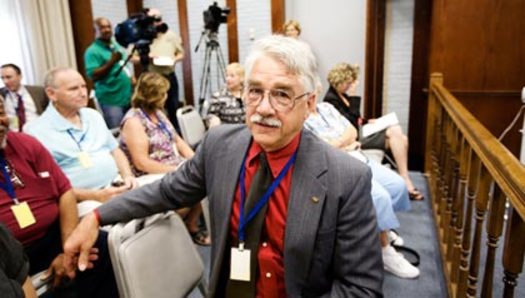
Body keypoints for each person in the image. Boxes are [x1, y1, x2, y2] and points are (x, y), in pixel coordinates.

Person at [64, 35, 383, 297]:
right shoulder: (220, 146)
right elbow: (168, 190)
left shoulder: (346, 177)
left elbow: (361, 288)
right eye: (255, 91)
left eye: (282, 95)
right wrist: (97, 215)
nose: (264, 108)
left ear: (310, 104)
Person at [0, 96, 117, 297]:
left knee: (99, 246)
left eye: (1, 112)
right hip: (10, 254)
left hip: (54, 235)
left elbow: (65, 192)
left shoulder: (24, 143)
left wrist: (67, 248)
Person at [305, 99, 419, 279]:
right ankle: (384, 251)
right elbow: (322, 148)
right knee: (379, 197)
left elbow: (351, 129)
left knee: (397, 185)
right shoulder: (300, 118)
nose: (313, 97)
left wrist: (343, 142)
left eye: (314, 91)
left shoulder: (326, 107)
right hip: (337, 163)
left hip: (355, 154)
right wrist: (345, 143)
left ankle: (382, 229)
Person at [119, 72, 210, 245]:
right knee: (191, 184)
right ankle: (163, 234)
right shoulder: (134, 121)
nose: (166, 96)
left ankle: (190, 225)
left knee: (202, 174)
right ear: (153, 95)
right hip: (149, 172)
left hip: (171, 164)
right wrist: (178, 170)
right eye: (163, 93)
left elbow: (177, 140)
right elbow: (141, 163)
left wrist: (197, 161)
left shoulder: (157, 113)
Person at [24, 67, 137, 204]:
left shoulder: (93, 115)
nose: (83, 93)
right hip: (81, 201)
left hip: (117, 185)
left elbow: (114, 150)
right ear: (51, 94)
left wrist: (128, 176)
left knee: (160, 204)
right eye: (73, 89)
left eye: (84, 86)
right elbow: (48, 184)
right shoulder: (35, 131)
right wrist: (95, 196)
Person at [324, 63, 424, 200]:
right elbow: (349, 124)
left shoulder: (343, 96)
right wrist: (354, 97)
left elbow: (355, 118)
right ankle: (405, 180)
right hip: (354, 138)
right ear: (339, 81)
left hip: (360, 131)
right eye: (348, 82)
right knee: (396, 133)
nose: (350, 86)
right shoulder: (330, 100)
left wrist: (366, 121)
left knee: (400, 136)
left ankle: (404, 178)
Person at [84, 17, 133, 129]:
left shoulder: (115, 45)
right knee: (118, 133)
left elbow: (123, 64)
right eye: (102, 27)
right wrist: (111, 62)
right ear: (94, 31)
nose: (106, 30)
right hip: (111, 100)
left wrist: (131, 77)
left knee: (130, 130)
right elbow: (93, 75)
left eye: (108, 27)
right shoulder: (92, 51)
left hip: (127, 97)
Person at [145, 8, 184, 132]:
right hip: (152, 79)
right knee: (154, 109)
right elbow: (132, 57)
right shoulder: (144, 36)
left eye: (159, 18)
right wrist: (147, 58)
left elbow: (181, 54)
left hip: (169, 76)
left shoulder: (170, 35)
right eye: (153, 19)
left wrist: (173, 59)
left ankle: (175, 135)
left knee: (173, 107)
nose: (157, 22)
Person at [0, 64, 48, 131]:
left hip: (38, 131)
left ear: (20, 76)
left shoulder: (39, 91)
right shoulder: (1, 95)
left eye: (8, 77)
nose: (5, 81)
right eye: (2, 78)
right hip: (14, 135)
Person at [205, 62, 246, 128]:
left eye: (232, 76)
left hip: (247, 133)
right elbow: (210, 116)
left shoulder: (248, 93)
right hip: (227, 134)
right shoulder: (218, 96)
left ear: (241, 78)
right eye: (227, 76)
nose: (228, 79)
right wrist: (213, 120)